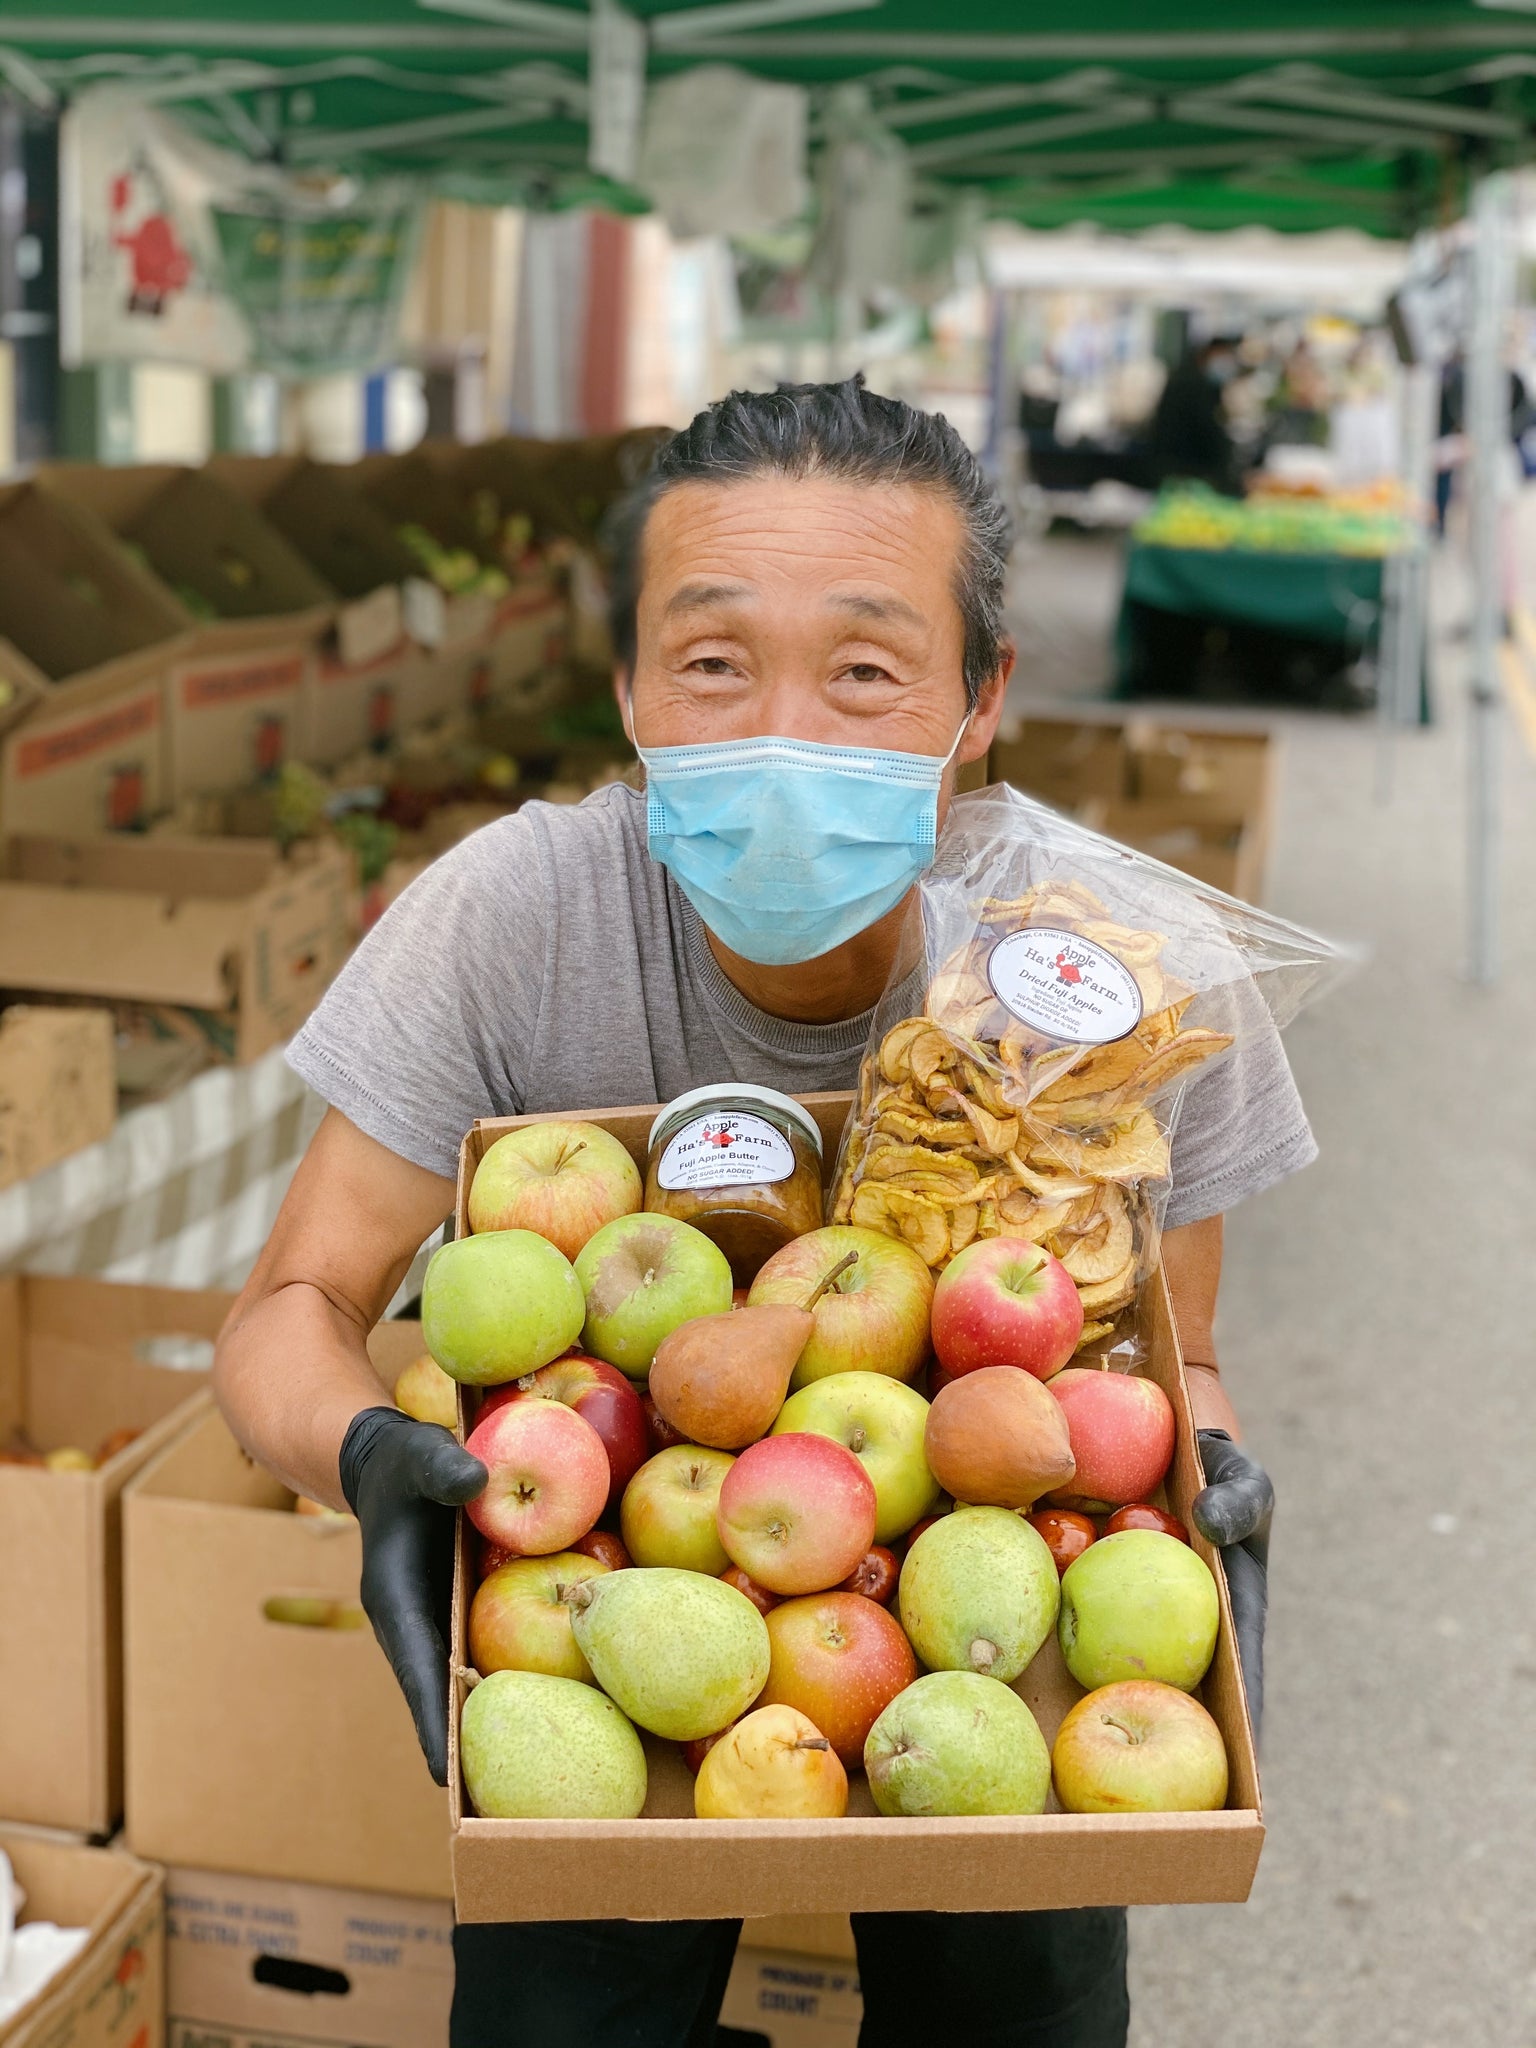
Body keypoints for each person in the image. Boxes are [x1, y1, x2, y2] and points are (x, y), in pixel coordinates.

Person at [214, 377, 1292, 2048]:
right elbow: (293, 1307)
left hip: (997, 1614)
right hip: (601, 1589)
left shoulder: (1104, 976)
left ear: (980, 695)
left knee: (1016, 2008)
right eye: (713, 662)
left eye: (865, 671)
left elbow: (1173, 1357)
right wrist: (366, 1455)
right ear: (632, 686)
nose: (783, 729)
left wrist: (1206, 1480)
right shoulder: (512, 916)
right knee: (567, 2009)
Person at [1147, 337, 1245, 496]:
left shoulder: (1192, 378)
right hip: (1184, 469)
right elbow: (1206, 428)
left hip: (1180, 468)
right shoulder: (1190, 383)